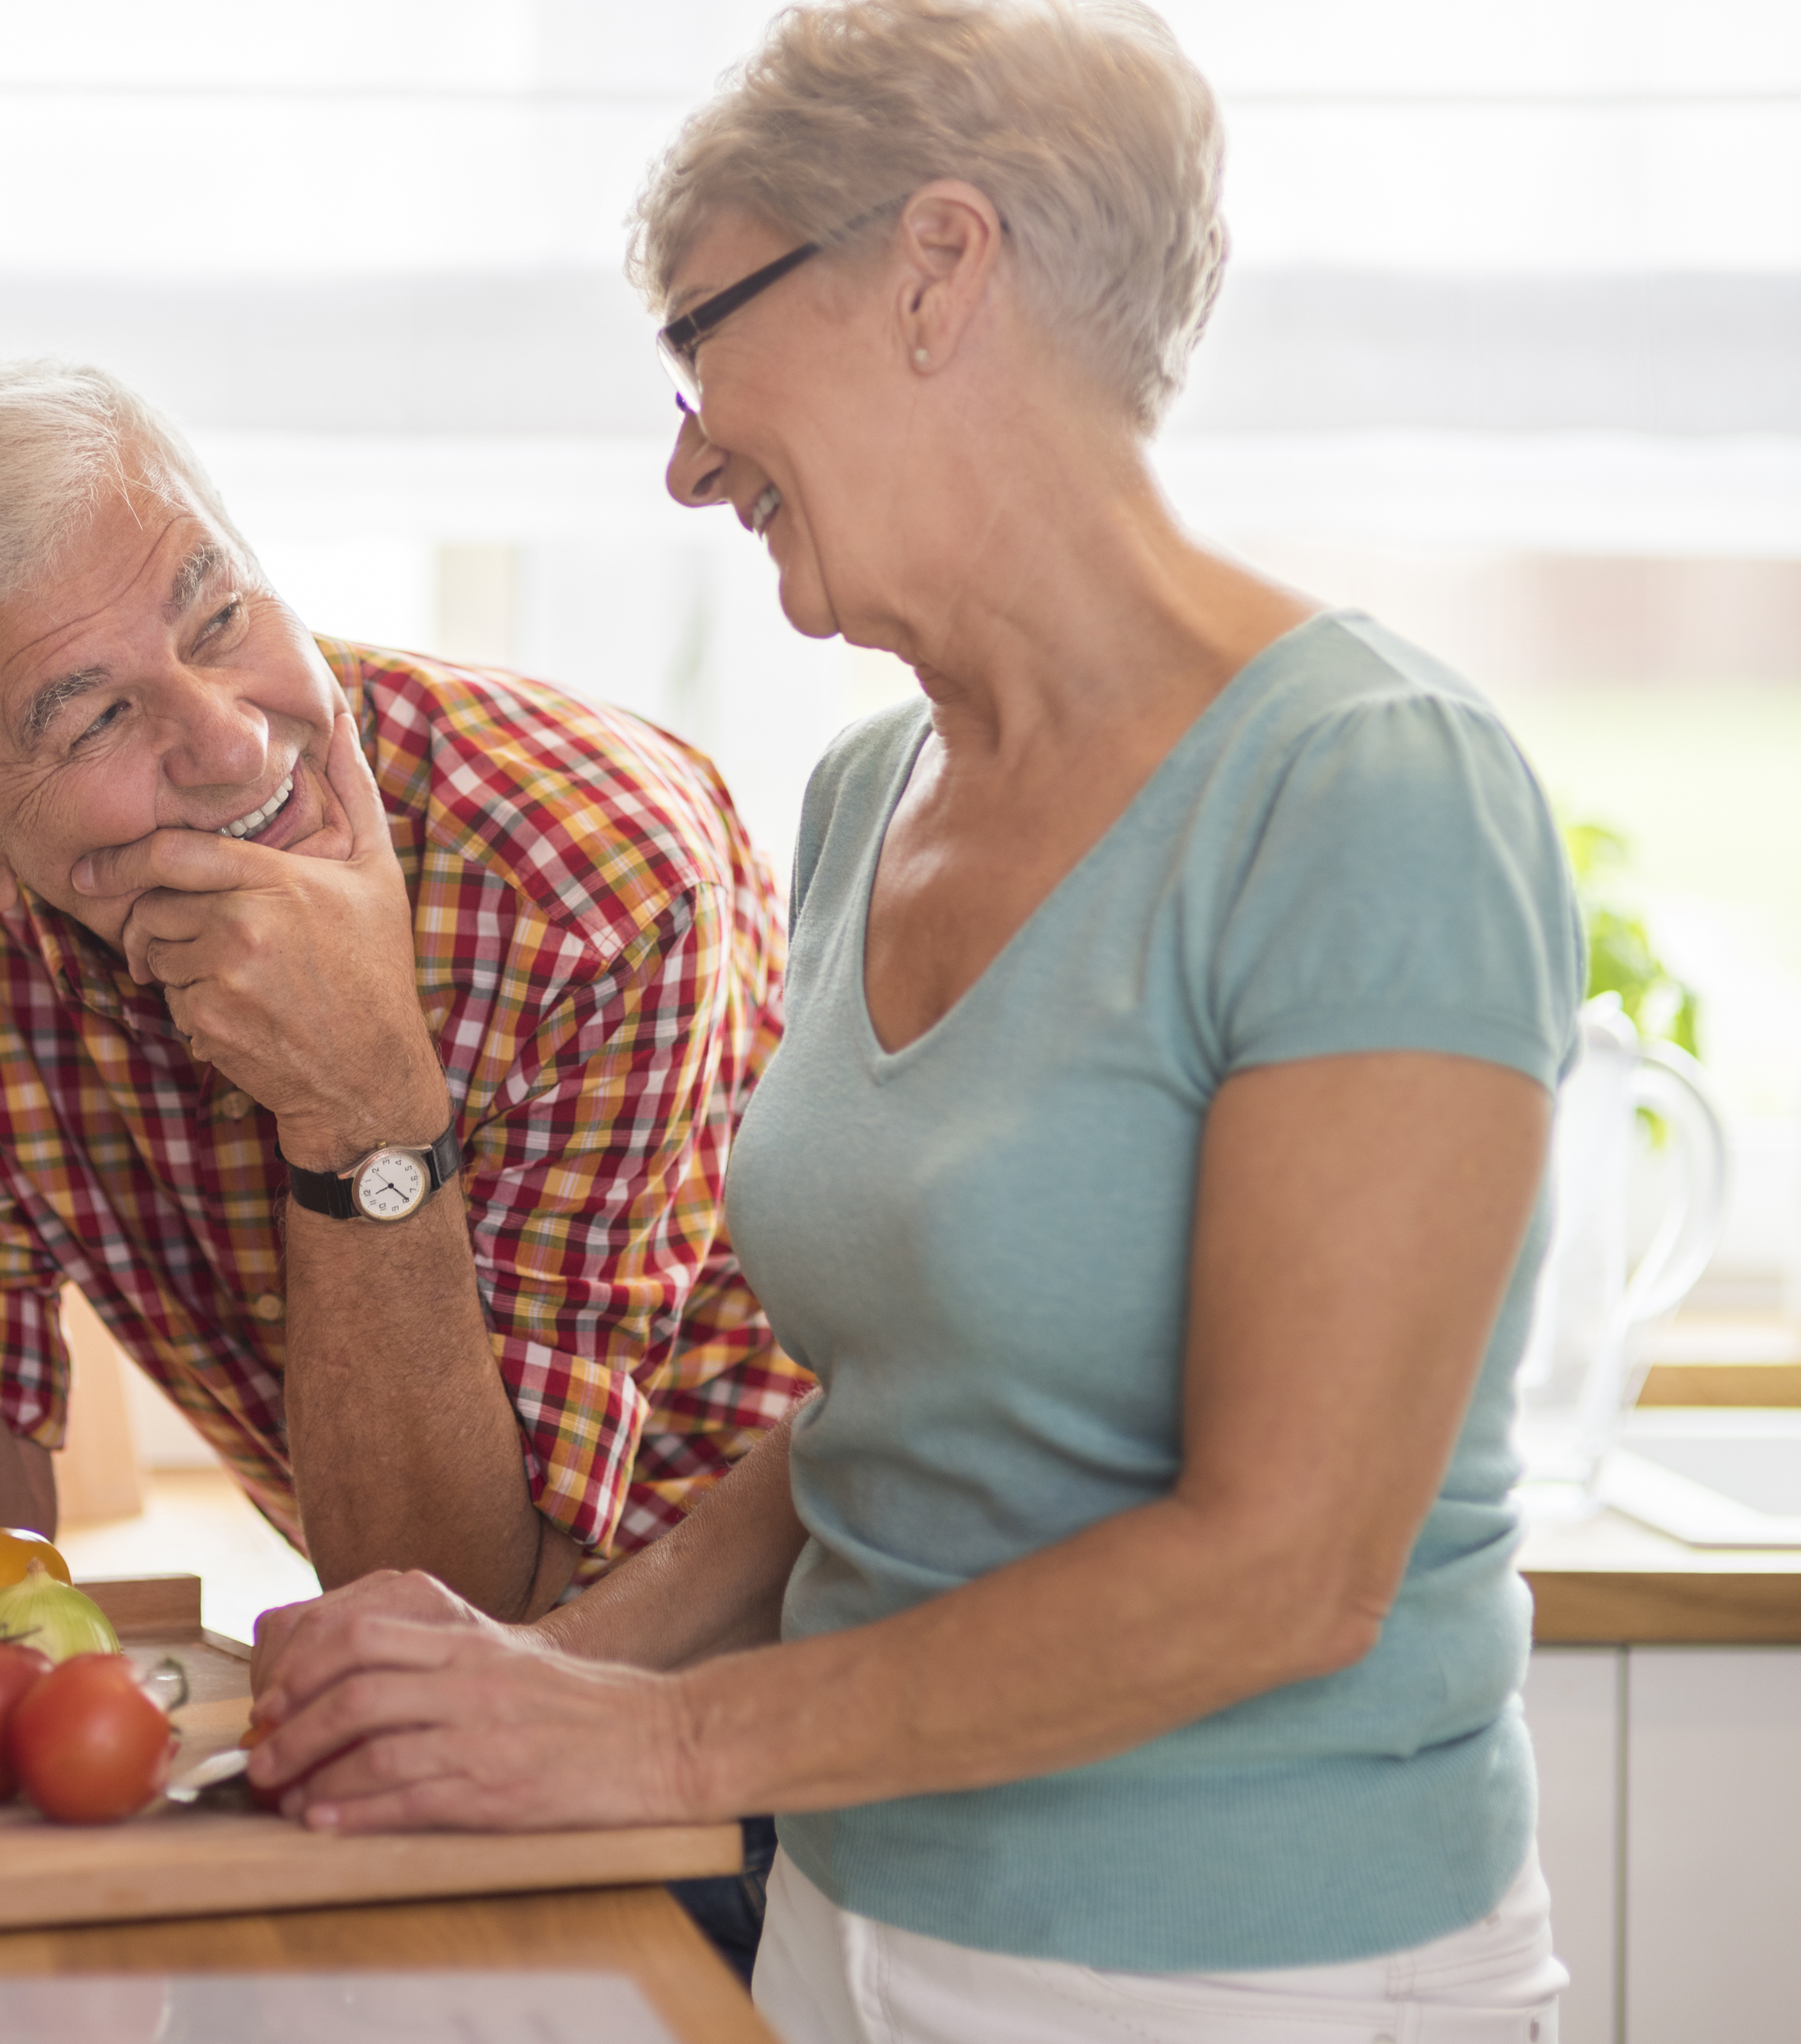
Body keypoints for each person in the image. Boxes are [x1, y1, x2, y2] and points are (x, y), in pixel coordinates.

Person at [239, 3, 1581, 2038]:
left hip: (1254, 1970)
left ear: (939, 270)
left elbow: (1286, 1565)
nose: (684, 455)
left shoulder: (1365, 785)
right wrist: (569, 1674)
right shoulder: (872, 794)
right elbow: (891, 1420)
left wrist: (660, 1755)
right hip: (851, 1917)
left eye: (703, 337)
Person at [0, 362, 805, 1633]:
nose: (229, 743)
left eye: (218, 618)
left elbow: (464, 1603)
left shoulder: (594, 882)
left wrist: (366, 1102)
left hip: (771, 1649)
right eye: (97, 715)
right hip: (427, 1699)